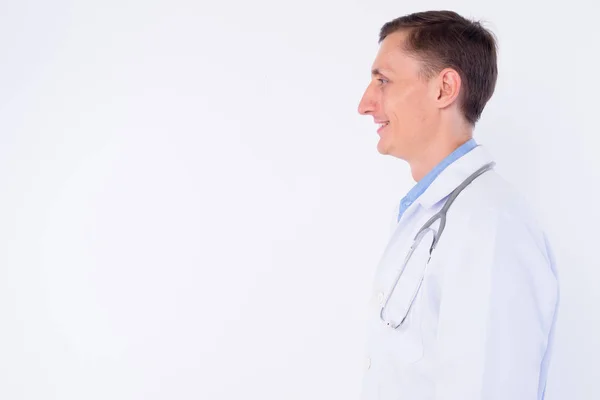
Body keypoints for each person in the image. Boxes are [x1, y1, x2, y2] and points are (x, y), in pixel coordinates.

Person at [357, 10, 559, 400]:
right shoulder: (434, 214)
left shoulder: (491, 226)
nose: (365, 104)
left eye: (383, 80)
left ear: (444, 88)